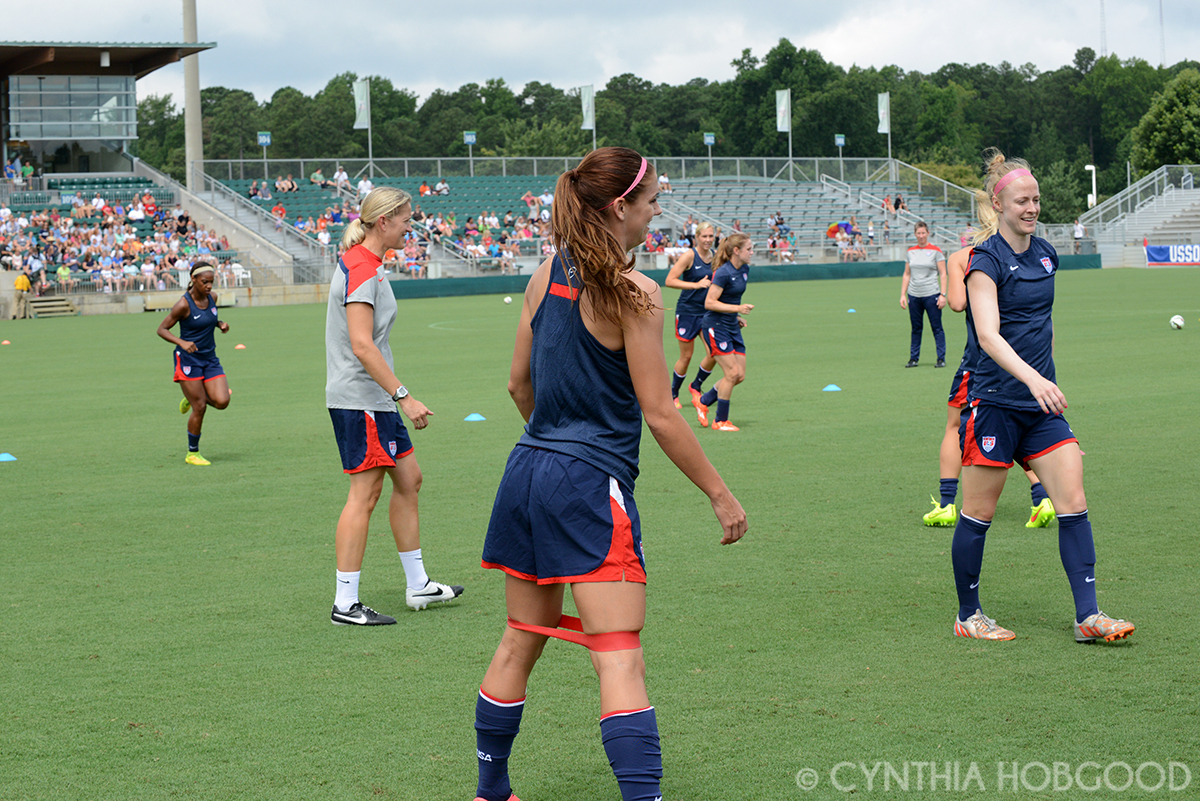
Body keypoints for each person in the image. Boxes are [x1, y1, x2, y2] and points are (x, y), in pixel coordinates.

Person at [472, 147, 747, 801]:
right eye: (652, 203)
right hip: (589, 486)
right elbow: (662, 412)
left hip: (526, 473)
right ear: (621, 206)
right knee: (619, 652)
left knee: (519, 640)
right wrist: (720, 492)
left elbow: (516, 385)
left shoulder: (544, 275)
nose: (657, 215)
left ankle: (490, 789)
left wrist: (554, 437)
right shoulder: (637, 293)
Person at [950, 149, 1134, 644]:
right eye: (1022, 201)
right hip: (993, 402)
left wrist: (1047, 377)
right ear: (998, 203)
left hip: (1040, 408)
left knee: (1073, 501)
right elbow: (988, 334)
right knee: (979, 515)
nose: (1031, 208)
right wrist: (1033, 378)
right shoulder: (984, 260)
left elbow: (1041, 323)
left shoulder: (1047, 253)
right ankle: (969, 616)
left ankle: (1089, 617)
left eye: (1036, 199)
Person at [325, 186, 463, 626]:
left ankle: (418, 583)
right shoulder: (362, 268)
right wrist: (405, 397)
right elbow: (363, 346)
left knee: (410, 479)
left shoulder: (367, 264)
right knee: (363, 495)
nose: (411, 226)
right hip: (361, 399)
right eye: (405, 219)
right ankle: (345, 604)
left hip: (374, 399)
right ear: (383, 222)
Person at [923, 234, 1056, 530]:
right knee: (1023, 427)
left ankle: (946, 504)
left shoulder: (968, 256)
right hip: (1024, 361)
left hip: (980, 363)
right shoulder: (1022, 254)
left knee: (955, 426)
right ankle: (1042, 495)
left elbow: (957, 303)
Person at [155, 261, 231, 466]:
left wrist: (220, 324)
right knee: (200, 407)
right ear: (194, 280)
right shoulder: (183, 304)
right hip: (188, 360)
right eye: (204, 282)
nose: (209, 286)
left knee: (223, 402)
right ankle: (192, 453)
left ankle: (191, 396)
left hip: (210, 358)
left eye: (211, 282)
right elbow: (161, 329)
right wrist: (182, 342)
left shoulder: (212, 298)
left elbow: (208, 318)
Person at [694, 233, 754, 432]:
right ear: (736, 251)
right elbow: (709, 302)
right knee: (732, 373)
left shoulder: (744, 269)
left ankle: (703, 401)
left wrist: (735, 317)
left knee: (740, 376)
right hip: (715, 326)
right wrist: (737, 310)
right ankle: (720, 421)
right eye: (749, 249)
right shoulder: (723, 273)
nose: (752, 253)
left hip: (730, 325)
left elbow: (729, 299)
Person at [665, 222, 718, 411]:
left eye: (711, 236)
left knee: (714, 352)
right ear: (697, 237)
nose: (708, 240)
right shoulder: (689, 256)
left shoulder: (716, 257)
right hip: (687, 312)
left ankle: (696, 385)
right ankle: (673, 393)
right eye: (704, 236)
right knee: (686, 356)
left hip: (707, 313)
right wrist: (696, 285)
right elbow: (669, 280)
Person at [900, 222, 947, 368]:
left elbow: (943, 273)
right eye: (918, 233)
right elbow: (907, 274)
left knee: (936, 327)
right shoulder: (910, 252)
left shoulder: (935, 251)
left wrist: (943, 294)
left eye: (923, 233)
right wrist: (903, 294)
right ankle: (914, 358)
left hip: (931, 293)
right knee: (916, 327)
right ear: (915, 234)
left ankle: (940, 358)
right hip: (914, 295)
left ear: (928, 233)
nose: (921, 236)